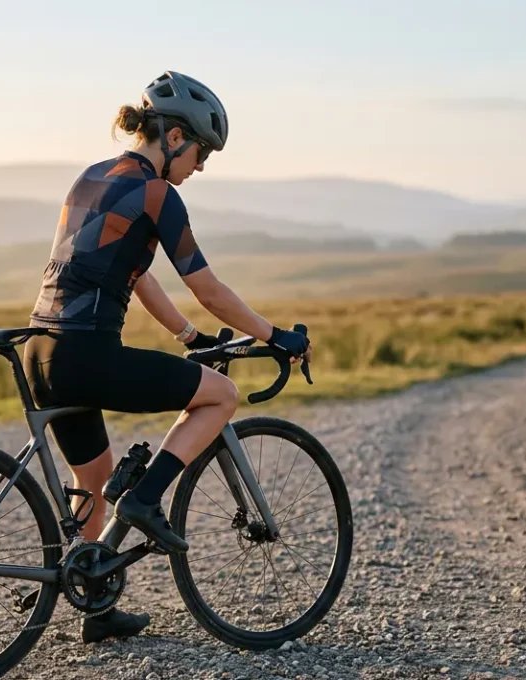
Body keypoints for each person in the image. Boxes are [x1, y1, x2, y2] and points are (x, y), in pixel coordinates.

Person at [21, 71, 314, 643]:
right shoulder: (159, 193)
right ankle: (147, 500)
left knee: (94, 477)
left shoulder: (92, 178)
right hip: (85, 354)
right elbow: (206, 286)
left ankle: (95, 603)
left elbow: (137, 274)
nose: (200, 166)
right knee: (221, 394)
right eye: (202, 152)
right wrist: (275, 333)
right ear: (176, 137)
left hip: (41, 351)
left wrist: (187, 336)